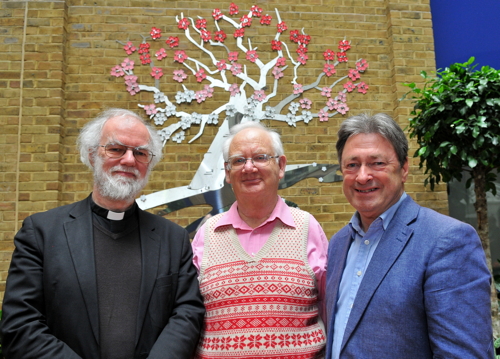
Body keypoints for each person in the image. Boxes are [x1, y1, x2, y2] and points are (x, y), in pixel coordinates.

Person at [0, 108, 205, 359]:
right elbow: (21, 325)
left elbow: (187, 313)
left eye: (140, 152)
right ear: (91, 155)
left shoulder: (173, 238)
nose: (129, 160)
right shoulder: (42, 232)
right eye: (116, 149)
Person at [325, 113, 494, 358]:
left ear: (404, 169)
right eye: (352, 165)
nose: (362, 176)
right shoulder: (339, 243)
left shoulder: (447, 240)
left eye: (377, 163)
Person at [191, 121, 328, 358]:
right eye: (238, 160)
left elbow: (329, 309)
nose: (249, 168)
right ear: (227, 172)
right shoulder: (207, 234)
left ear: (281, 165)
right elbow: (190, 316)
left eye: (260, 157)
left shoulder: (307, 227)